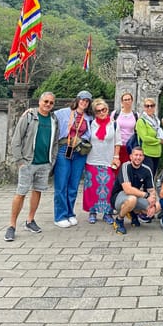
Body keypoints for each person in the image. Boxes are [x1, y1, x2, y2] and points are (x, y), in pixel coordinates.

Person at [4, 92, 59, 242]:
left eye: (51, 103)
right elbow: (16, 139)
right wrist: (20, 161)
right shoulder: (29, 116)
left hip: (44, 163)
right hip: (28, 162)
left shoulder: (54, 119)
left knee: (37, 191)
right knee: (21, 192)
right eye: (45, 101)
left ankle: (30, 220)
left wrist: (51, 160)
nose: (48, 104)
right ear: (40, 101)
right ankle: (12, 225)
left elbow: (55, 143)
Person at [53, 90, 93, 228]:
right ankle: (60, 215)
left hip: (79, 151)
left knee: (74, 184)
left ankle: (70, 213)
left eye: (87, 101)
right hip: (64, 148)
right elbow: (46, 113)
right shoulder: (63, 112)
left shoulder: (88, 118)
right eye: (82, 99)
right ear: (77, 100)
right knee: (61, 183)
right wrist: (30, 111)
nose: (84, 102)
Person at [83, 98, 121, 225]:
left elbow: (118, 143)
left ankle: (107, 212)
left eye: (103, 110)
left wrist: (116, 157)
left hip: (108, 160)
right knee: (92, 187)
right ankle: (92, 211)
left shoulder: (114, 124)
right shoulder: (91, 124)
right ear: (94, 112)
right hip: (92, 159)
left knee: (108, 187)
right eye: (98, 111)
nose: (101, 112)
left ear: (107, 109)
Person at [110, 145, 158, 235]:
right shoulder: (125, 166)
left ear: (143, 157)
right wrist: (146, 195)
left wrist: (152, 204)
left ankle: (133, 214)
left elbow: (151, 191)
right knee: (132, 199)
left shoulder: (146, 170)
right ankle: (119, 220)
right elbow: (127, 189)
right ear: (131, 157)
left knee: (158, 206)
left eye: (140, 155)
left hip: (136, 196)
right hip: (118, 197)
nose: (138, 157)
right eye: (136, 155)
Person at [136, 97, 163, 177]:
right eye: (147, 106)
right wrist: (159, 141)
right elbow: (145, 138)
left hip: (156, 153)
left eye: (152, 105)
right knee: (147, 177)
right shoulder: (141, 121)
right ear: (144, 107)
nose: (149, 108)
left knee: (152, 176)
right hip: (146, 153)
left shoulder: (156, 121)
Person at [112, 92, 138, 174]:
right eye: (125, 100)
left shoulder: (136, 115)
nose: (127, 102)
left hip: (130, 146)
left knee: (128, 170)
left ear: (132, 101)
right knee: (116, 169)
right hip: (117, 146)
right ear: (122, 102)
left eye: (129, 99)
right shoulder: (115, 114)